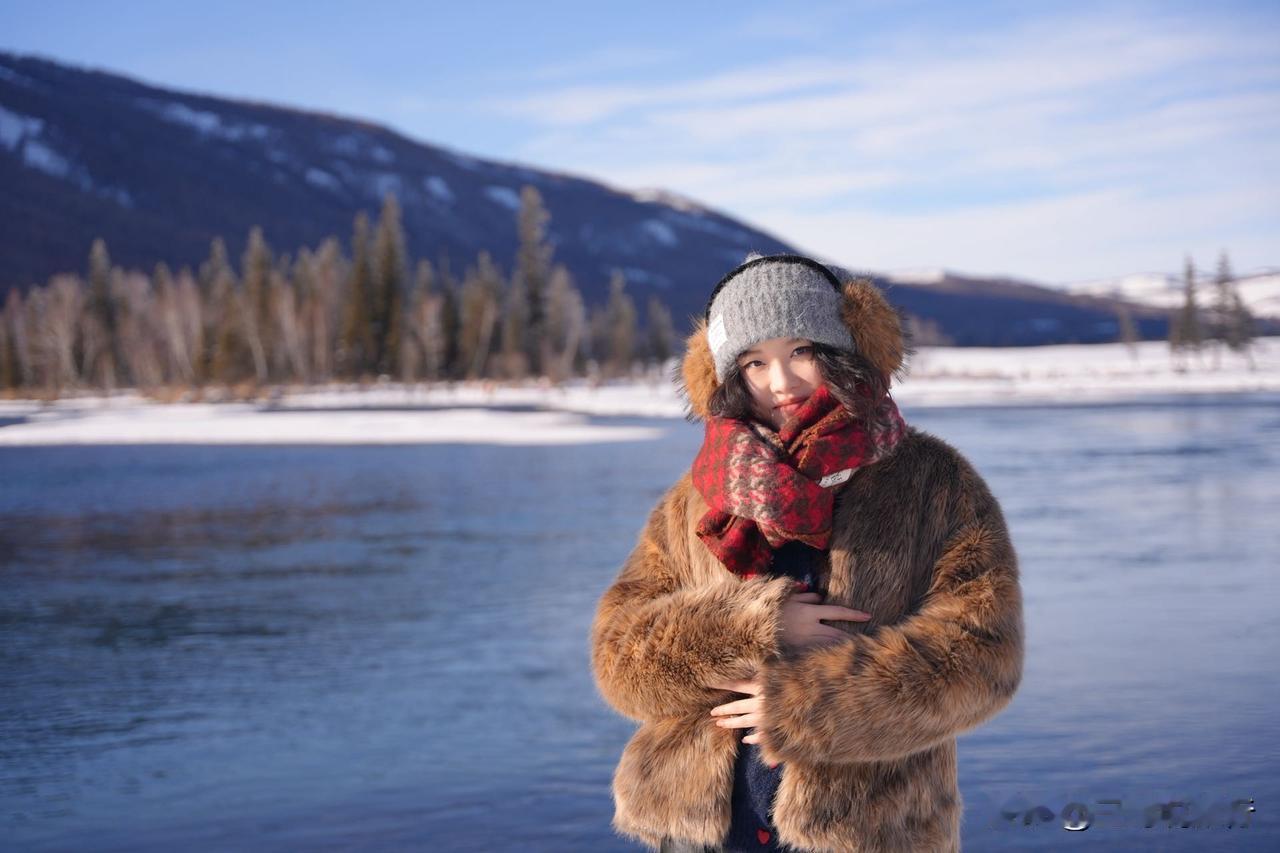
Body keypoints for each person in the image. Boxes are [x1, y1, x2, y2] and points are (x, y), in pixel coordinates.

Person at [590, 253, 1024, 852]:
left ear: (844, 350)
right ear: (727, 377)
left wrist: (808, 706)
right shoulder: (693, 499)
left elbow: (984, 656)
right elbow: (619, 660)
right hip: (696, 828)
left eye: (802, 352)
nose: (781, 382)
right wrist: (752, 629)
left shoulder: (933, 482)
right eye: (754, 362)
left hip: (866, 832)